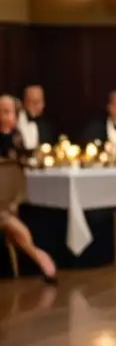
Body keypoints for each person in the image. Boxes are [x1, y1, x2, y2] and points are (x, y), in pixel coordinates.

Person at [0, 94, 57, 283]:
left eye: (8, 112)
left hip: (6, 200)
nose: (4, 116)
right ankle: (39, 258)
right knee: (11, 224)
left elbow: (18, 175)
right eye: (1, 111)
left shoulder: (16, 140)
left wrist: (14, 200)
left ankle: (39, 259)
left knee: (10, 223)